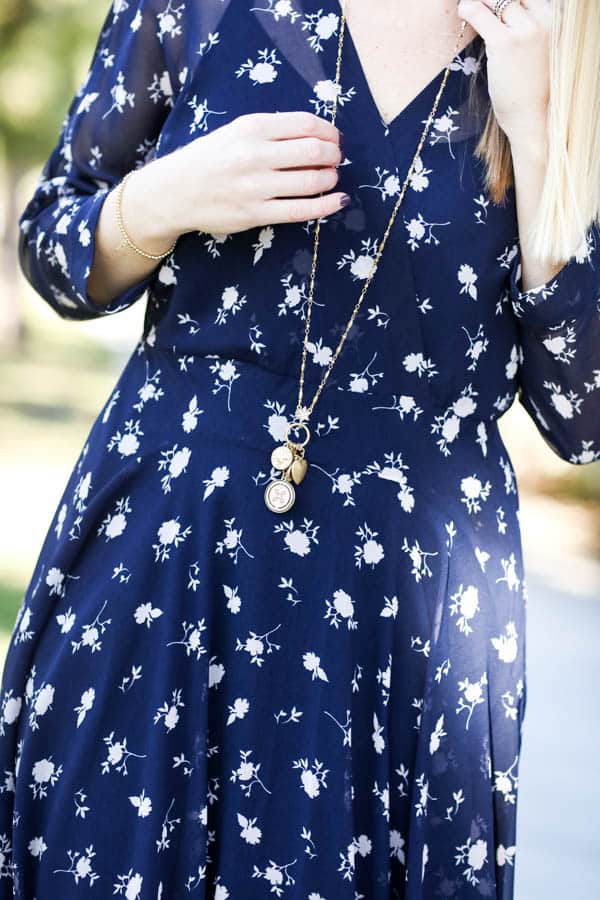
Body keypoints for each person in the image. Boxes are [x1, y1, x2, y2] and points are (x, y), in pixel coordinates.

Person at [1, 0, 599, 897]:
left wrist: (543, 136)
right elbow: (55, 247)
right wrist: (161, 200)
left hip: (407, 623)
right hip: (167, 563)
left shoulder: (565, 41)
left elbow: (579, 413)